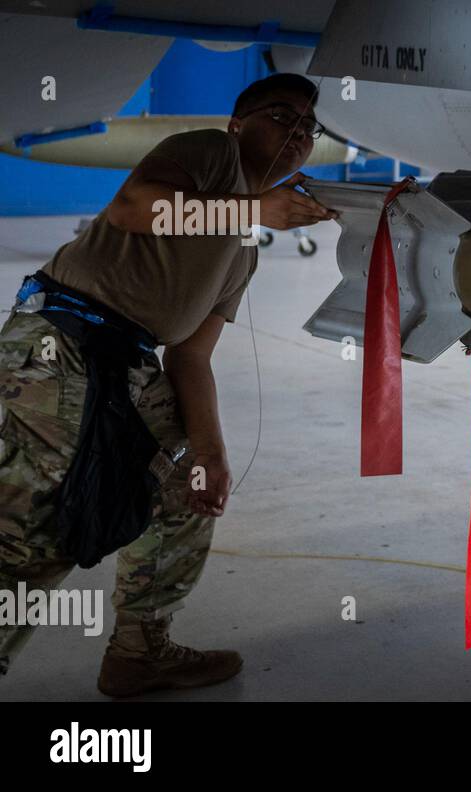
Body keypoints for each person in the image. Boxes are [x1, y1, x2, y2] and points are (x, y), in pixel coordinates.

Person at [0, 72, 338, 696]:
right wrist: (256, 208)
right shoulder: (211, 153)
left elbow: (190, 356)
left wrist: (210, 451)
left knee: (185, 488)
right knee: (39, 528)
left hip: (120, 364)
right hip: (65, 346)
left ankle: (139, 652)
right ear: (239, 123)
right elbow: (133, 207)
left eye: (308, 127)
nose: (297, 133)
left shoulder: (244, 249)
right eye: (280, 116)